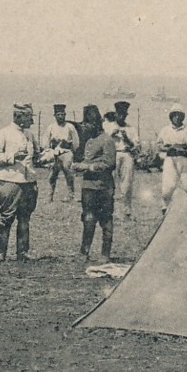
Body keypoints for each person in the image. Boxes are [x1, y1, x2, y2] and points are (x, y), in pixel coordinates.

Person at [0, 103, 41, 262]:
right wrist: (12, 157)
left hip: (28, 182)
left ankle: (22, 252)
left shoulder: (30, 136)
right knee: (6, 218)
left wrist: (51, 155)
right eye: (29, 117)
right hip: (10, 182)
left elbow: (37, 156)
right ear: (18, 117)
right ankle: (0, 253)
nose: (31, 120)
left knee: (25, 218)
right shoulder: (3, 133)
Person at [72, 104, 116, 264]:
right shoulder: (88, 140)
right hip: (88, 186)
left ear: (97, 123)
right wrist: (78, 164)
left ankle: (105, 253)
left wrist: (88, 167)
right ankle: (84, 252)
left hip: (104, 186)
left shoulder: (107, 140)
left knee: (105, 219)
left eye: (89, 123)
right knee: (88, 218)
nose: (86, 127)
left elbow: (109, 163)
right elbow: (83, 159)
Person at [156, 103, 187, 214]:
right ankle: (165, 208)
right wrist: (168, 149)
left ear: (183, 117)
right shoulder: (165, 130)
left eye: (179, 115)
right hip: (170, 159)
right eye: (174, 115)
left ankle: (186, 211)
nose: (177, 117)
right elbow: (159, 145)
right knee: (168, 187)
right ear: (171, 116)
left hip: (184, 159)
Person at [105, 101, 138, 219]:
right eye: (119, 114)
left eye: (124, 115)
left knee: (127, 184)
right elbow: (103, 142)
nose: (121, 117)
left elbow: (135, 146)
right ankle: (109, 211)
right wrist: (111, 135)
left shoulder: (131, 128)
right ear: (115, 114)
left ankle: (127, 211)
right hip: (112, 154)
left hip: (126, 154)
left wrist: (126, 138)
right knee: (110, 183)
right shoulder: (108, 126)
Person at [42, 103, 79, 202]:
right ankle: (49, 197)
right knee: (52, 175)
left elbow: (76, 141)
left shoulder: (70, 127)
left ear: (65, 115)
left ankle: (71, 196)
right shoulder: (51, 127)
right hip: (54, 152)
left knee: (68, 172)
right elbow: (45, 141)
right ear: (55, 116)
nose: (60, 117)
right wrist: (48, 149)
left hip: (66, 152)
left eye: (62, 114)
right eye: (58, 115)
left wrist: (73, 150)